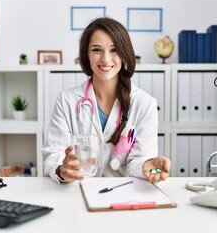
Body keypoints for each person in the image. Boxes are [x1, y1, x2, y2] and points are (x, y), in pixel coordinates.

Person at [42, 17, 171, 184]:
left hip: (122, 195)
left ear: (125, 54)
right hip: (76, 190)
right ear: (86, 55)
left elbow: (138, 161)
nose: (105, 58)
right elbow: (54, 154)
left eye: (114, 50)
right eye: (97, 50)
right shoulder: (67, 100)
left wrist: (147, 164)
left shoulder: (144, 104)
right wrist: (62, 169)